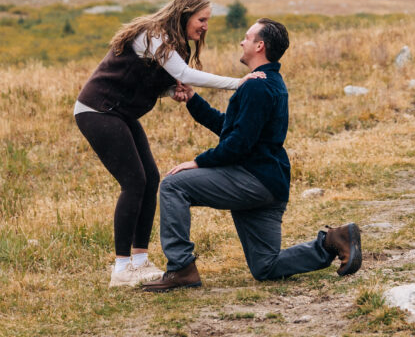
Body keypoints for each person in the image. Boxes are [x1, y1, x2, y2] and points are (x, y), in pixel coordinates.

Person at [143, 18, 362, 291]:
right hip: (268, 185)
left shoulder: (258, 86)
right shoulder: (268, 82)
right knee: (265, 267)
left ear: (259, 46)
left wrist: (198, 162)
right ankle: (332, 241)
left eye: (247, 37)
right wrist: (194, 99)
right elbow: (231, 128)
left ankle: (181, 269)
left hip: (252, 180)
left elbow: (238, 145)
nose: (241, 42)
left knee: (173, 185)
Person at [74, 0, 264, 287]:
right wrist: (237, 83)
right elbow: (185, 73)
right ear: (185, 14)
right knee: (134, 182)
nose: (205, 26)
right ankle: (121, 268)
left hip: (119, 113)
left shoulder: (175, 45)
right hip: (97, 110)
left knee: (150, 178)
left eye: (207, 21)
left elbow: (152, 78)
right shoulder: (153, 35)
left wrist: (169, 91)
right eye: (201, 19)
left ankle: (139, 261)